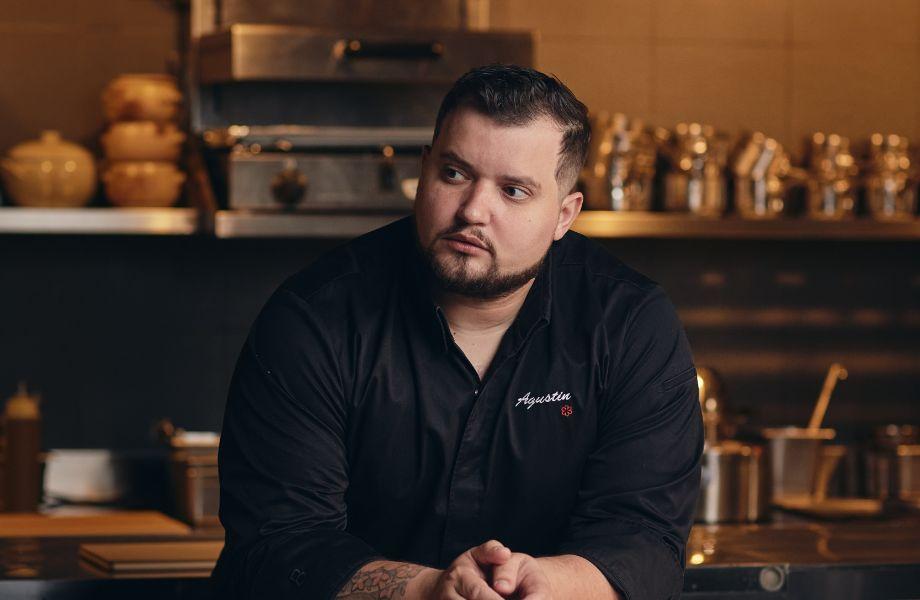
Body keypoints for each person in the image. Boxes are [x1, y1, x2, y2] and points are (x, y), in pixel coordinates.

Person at [212, 65, 703, 600]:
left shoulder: (630, 325)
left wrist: (546, 583)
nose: (473, 210)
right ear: (423, 170)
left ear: (565, 215)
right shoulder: (314, 318)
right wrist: (428, 591)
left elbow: (646, 538)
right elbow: (278, 544)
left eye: (513, 191)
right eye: (454, 174)